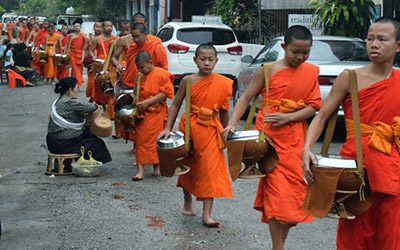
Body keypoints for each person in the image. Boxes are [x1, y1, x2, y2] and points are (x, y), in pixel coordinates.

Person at [302, 17, 400, 250]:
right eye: (370, 38)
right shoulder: (350, 77)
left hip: (393, 170)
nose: (374, 44)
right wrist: (306, 149)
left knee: (391, 239)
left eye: (382, 39)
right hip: (356, 171)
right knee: (353, 240)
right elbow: (322, 116)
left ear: (397, 45)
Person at [222, 25, 322, 250]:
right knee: (278, 196)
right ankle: (278, 246)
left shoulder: (311, 72)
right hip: (269, 143)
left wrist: (289, 118)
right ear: (284, 46)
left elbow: (314, 106)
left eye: (305, 52)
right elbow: (246, 97)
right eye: (295, 51)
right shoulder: (267, 71)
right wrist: (231, 124)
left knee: (293, 196)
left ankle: (279, 244)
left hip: (295, 140)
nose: (300, 57)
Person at [159, 43, 233, 227]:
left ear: (216, 61)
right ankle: (187, 201)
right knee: (188, 166)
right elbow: (175, 104)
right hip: (190, 128)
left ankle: (207, 214)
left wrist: (227, 130)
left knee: (210, 170)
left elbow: (224, 110)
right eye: (202, 59)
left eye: (210, 60)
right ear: (195, 60)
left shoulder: (223, 83)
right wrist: (168, 127)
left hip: (211, 130)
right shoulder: (188, 81)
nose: (206, 63)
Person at [46, 77, 112, 172]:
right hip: (63, 144)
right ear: (70, 90)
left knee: (87, 134)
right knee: (96, 143)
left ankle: (72, 162)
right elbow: (91, 107)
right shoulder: (70, 102)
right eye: (76, 87)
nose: (78, 89)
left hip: (52, 142)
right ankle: (82, 163)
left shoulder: (60, 100)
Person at [130, 51, 174, 181]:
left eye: (142, 67)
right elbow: (135, 92)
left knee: (156, 141)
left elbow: (166, 93)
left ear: (150, 63)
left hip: (157, 113)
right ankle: (140, 170)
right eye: (138, 68)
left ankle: (156, 166)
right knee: (140, 141)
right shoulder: (139, 76)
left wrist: (148, 102)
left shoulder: (162, 74)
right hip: (142, 114)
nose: (140, 70)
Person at [67, 21, 88, 88]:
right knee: (75, 69)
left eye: (78, 26)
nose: (77, 27)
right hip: (73, 54)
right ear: (73, 27)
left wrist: (83, 55)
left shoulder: (83, 35)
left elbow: (86, 45)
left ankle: (74, 83)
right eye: (75, 26)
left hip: (80, 54)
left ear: (80, 27)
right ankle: (78, 82)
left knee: (78, 69)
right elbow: (68, 45)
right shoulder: (71, 35)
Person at [85, 22, 103, 99]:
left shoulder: (104, 38)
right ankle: (93, 96)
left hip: (102, 61)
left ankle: (97, 97)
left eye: (100, 27)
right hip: (92, 61)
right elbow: (86, 49)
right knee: (92, 80)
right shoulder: (89, 38)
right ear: (94, 27)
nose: (98, 28)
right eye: (96, 26)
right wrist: (87, 59)